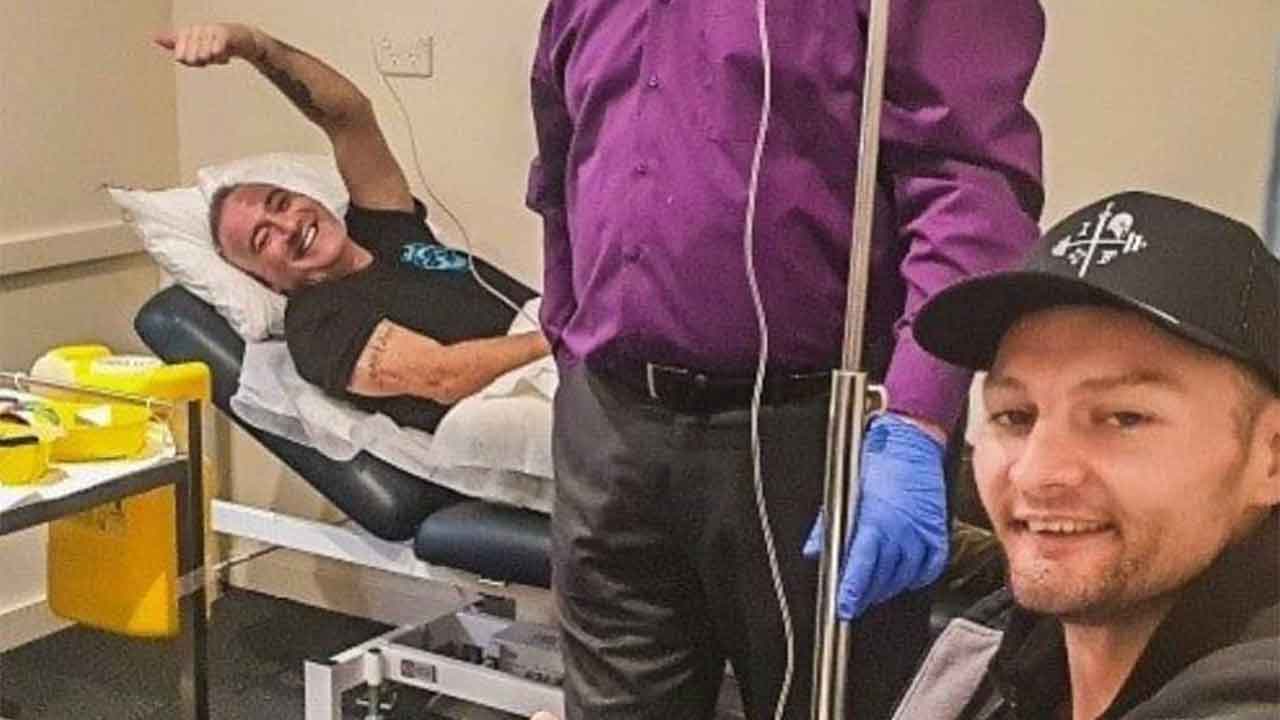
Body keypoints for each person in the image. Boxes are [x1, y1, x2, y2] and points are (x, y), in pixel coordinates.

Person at [526, 2, 1046, 718]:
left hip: (813, 438)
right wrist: (569, 341)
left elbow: (971, 188)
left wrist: (917, 417)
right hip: (611, 428)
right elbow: (560, 162)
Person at [893, 191, 1280, 719]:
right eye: (1014, 415)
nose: (1036, 473)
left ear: (1271, 457)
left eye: (1123, 417)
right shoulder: (997, 651)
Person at [155, 23, 548, 431]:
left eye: (281, 203)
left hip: (562, 350)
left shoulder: (381, 227)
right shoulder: (317, 322)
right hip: (537, 403)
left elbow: (348, 117)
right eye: (263, 238)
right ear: (265, 281)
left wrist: (254, 46)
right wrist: (564, 337)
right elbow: (442, 377)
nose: (288, 226)